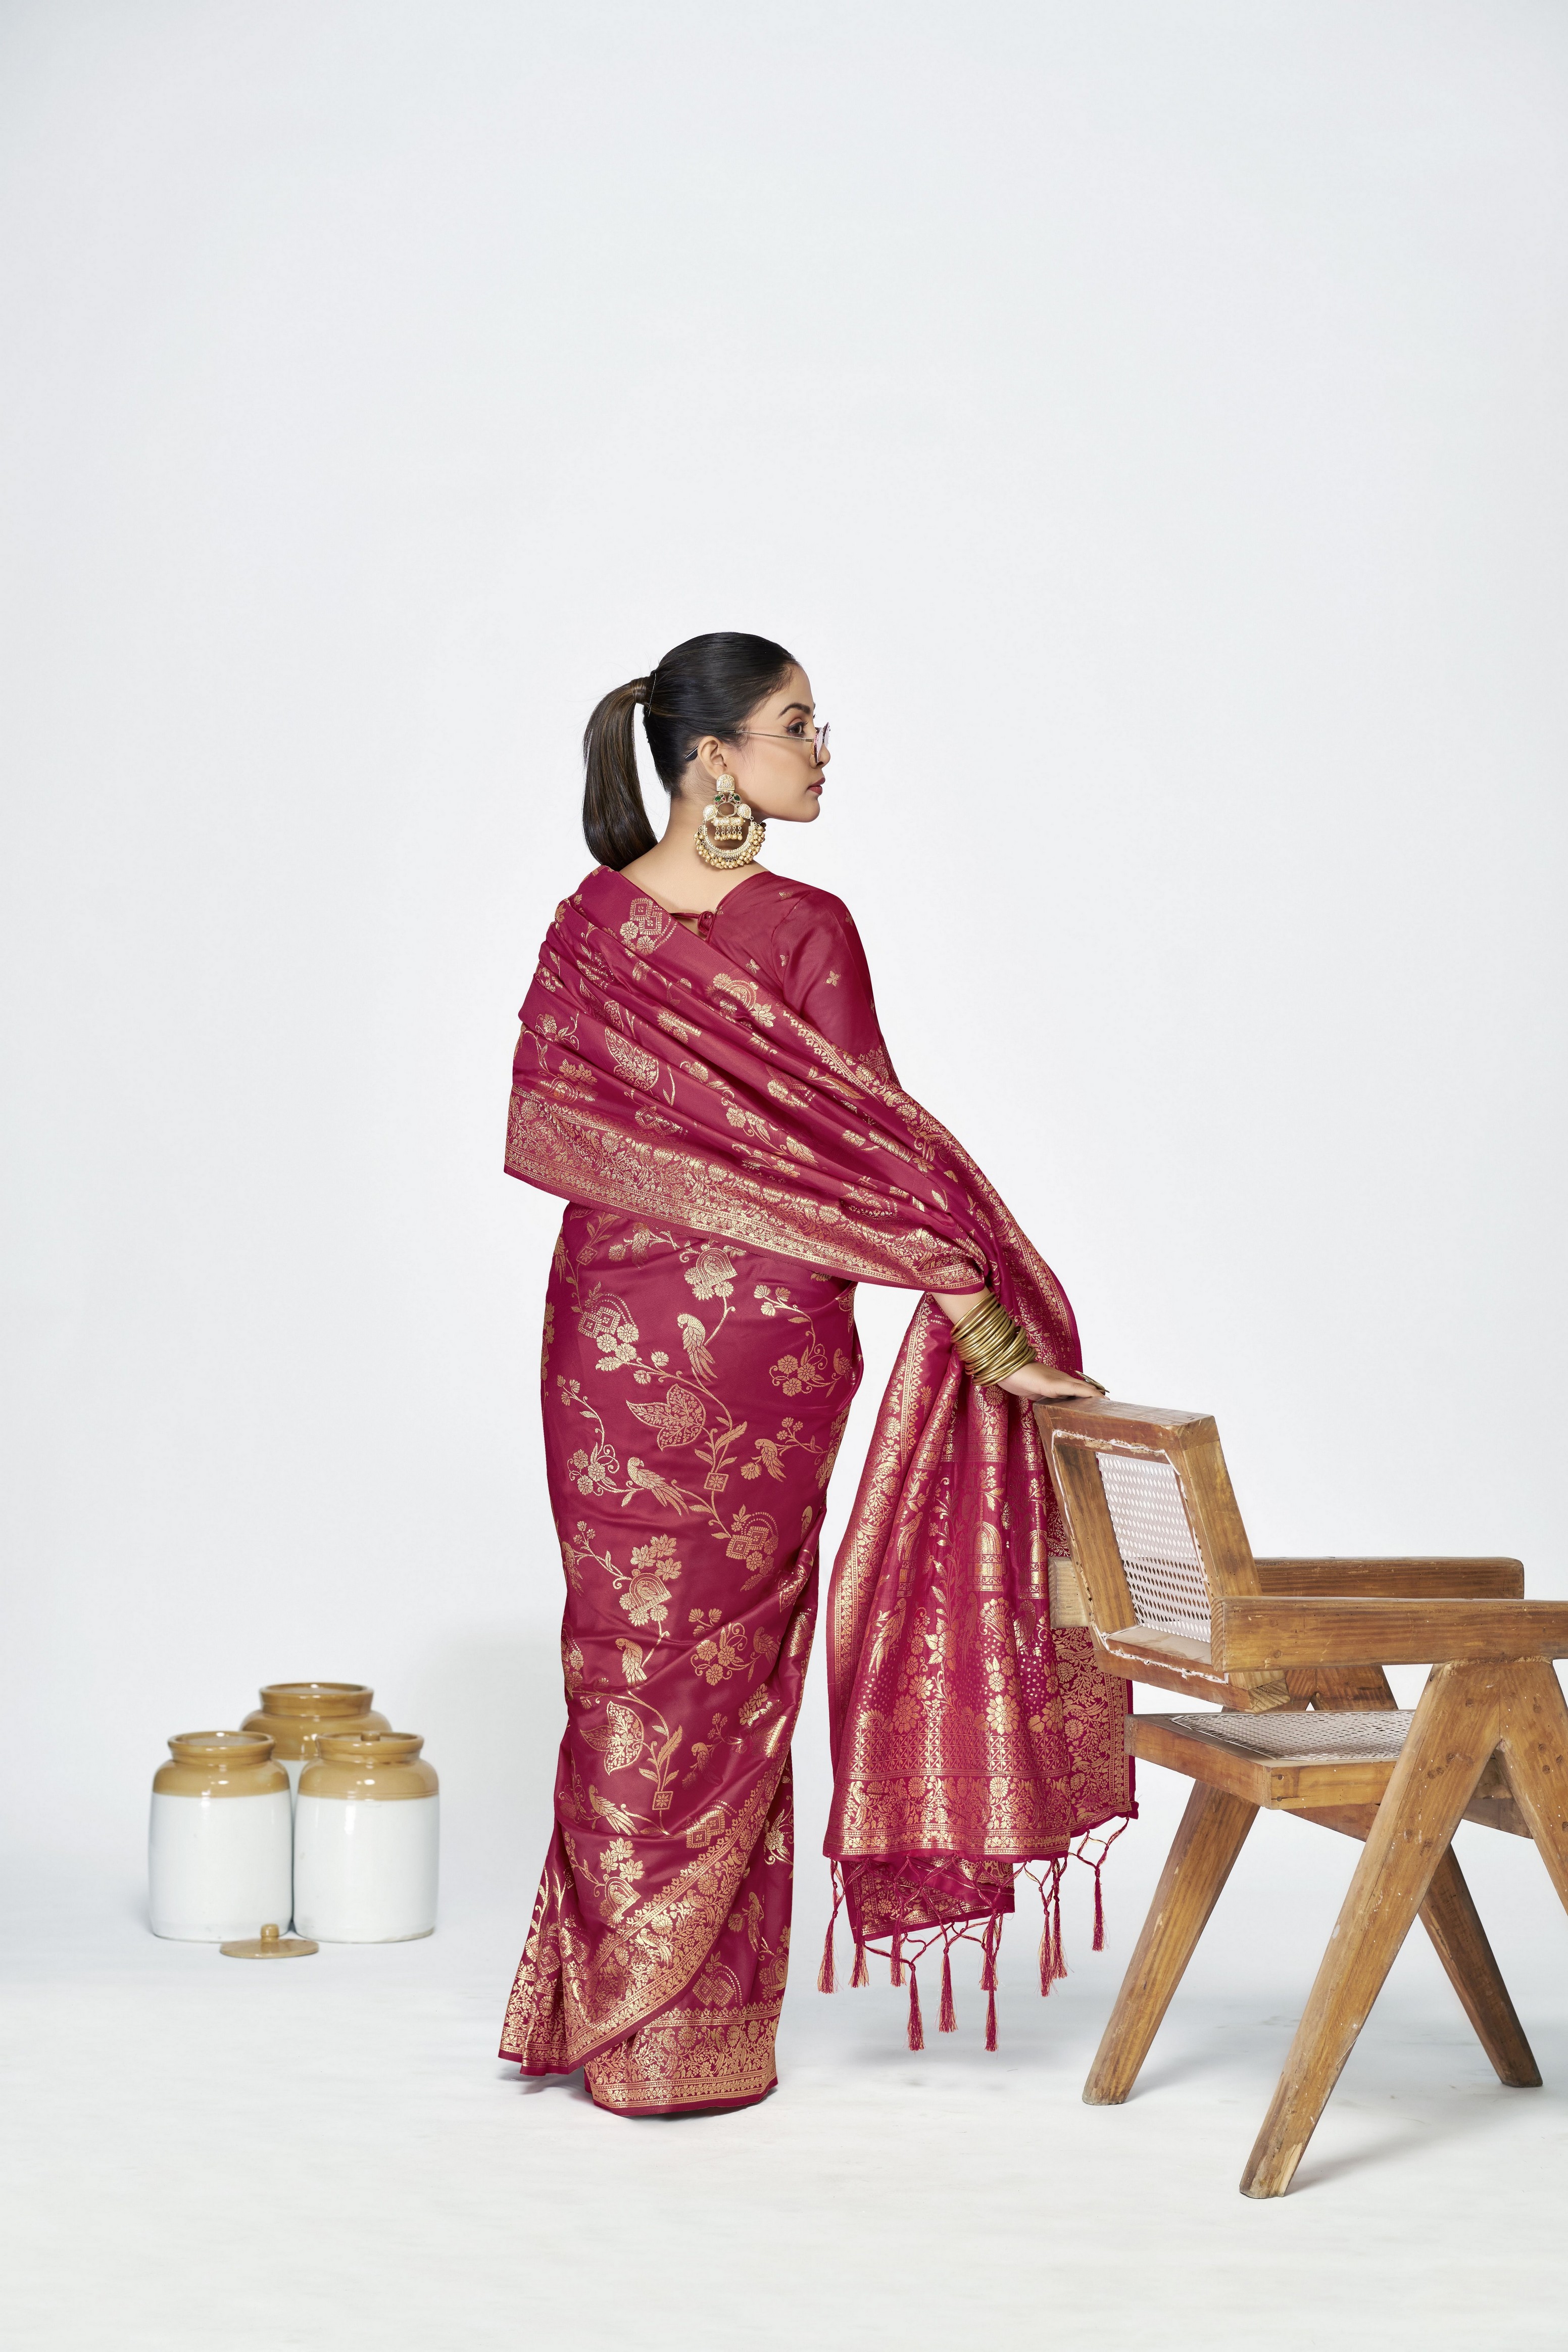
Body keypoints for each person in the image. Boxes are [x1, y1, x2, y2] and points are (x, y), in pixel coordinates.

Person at [500, 632, 1128, 2117]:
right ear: (714, 756)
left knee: (625, 1659)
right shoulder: (799, 926)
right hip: (759, 1349)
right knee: (724, 1669)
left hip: (602, 1344)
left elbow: (591, 1132)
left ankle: (606, 2013)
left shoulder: (590, 927)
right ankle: (675, 2039)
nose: (823, 749)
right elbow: (884, 1163)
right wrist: (993, 1331)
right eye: (798, 725)